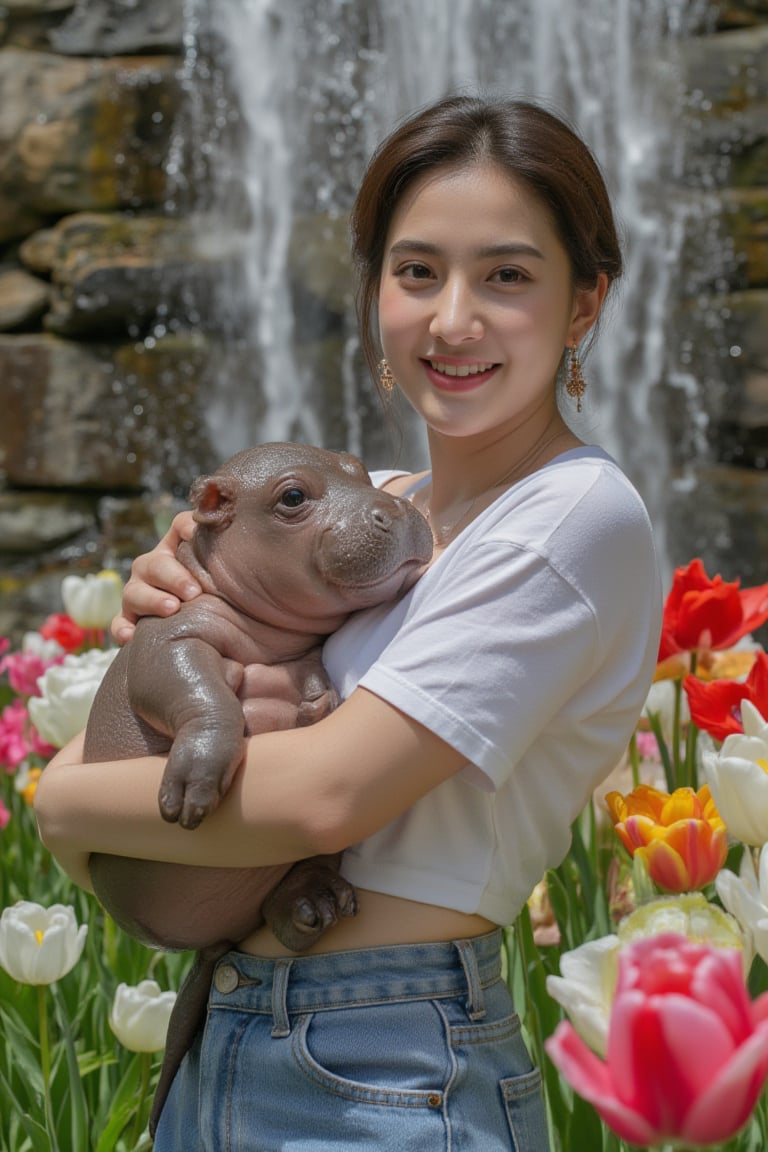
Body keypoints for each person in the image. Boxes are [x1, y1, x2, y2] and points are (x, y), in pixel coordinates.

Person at [34, 93, 663, 1151]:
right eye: (416, 272)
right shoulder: (374, 508)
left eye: (507, 275)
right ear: (374, 290)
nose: (452, 318)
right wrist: (174, 595)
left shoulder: (572, 515)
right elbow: (186, 640)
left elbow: (330, 794)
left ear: (585, 301)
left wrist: (66, 803)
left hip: (386, 1061)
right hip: (229, 1029)